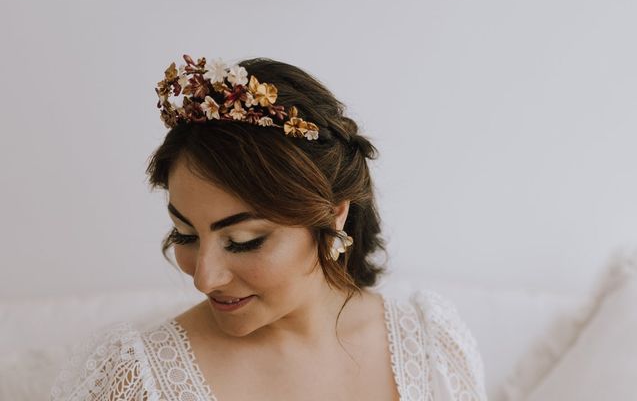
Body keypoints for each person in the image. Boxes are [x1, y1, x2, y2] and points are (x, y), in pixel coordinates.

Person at [50, 55, 488, 400]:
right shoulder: (133, 379)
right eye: (186, 235)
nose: (205, 278)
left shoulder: (432, 344)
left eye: (243, 241)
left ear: (334, 214)